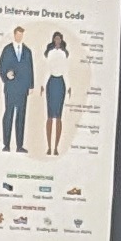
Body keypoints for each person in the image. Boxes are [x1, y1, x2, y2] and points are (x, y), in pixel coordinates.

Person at [0, 25, 34, 153]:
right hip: (11, 88)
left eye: (21, 35)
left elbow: (30, 69)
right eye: (17, 34)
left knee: (21, 116)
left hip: (23, 89)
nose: (19, 37)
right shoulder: (7, 50)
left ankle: (19, 146)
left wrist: (31, 86)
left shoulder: (27, 51)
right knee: (9, 114)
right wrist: (6, 75)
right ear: (14, 35)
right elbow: (1, 66)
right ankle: (6, 144)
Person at [42, 28, 73, 156]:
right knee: (50, 116)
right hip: (51, 82)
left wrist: (69, 85)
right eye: (55, 39)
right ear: (53, 40)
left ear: (61, 40)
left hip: (60, 83)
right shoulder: (50, 53)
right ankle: (49, 147)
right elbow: (47, 68)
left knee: (59, 116)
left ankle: (56, 148)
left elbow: (65, 70)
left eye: (59, 39)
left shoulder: (64, 54)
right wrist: (43, 84)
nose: (57, 41)